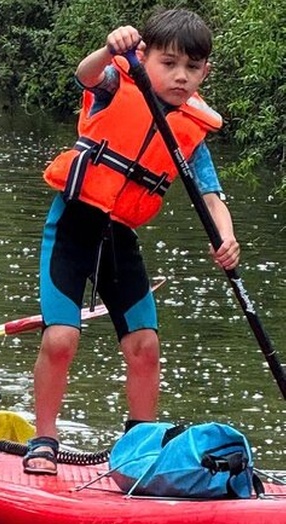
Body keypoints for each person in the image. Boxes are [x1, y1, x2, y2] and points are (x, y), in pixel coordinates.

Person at [24, 8, 241, 475]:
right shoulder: (115, 83)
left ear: (206, 70)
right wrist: (111, 47)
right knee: (61, 338)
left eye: (193, 67)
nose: (181, 76)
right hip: (71, 227)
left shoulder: (194, 129)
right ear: (145, 57)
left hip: (118, 237)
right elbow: (85, 74)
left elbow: (211, 196)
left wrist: (227, 236)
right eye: (169, 63)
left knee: (145, 345)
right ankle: (43, 438)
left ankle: (139, 444)